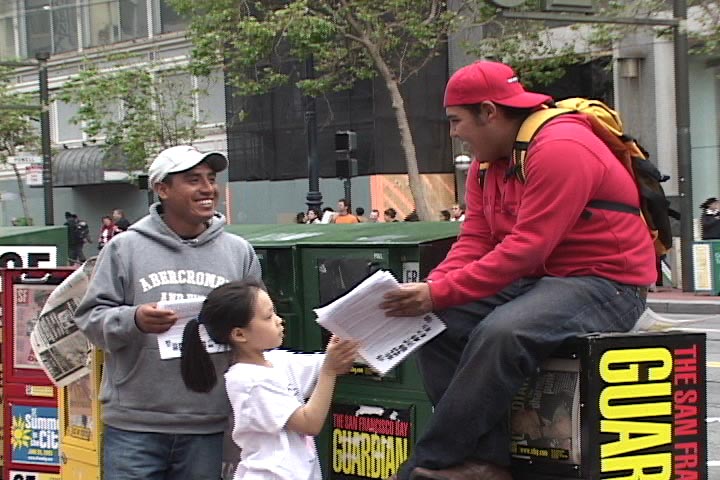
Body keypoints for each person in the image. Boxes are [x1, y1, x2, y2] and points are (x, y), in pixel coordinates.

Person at [380, 61, 655, 479]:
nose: (453, 133)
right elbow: (476, 240)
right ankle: (485, 461)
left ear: (489, 112)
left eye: (456, 120)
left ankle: (430, 463)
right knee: (436, 322)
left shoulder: (562, 147)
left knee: (502, 332)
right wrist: (434, 290)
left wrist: (439, 292)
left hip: (607, 282)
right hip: (540, 280)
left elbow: (526, 249)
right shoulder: (486, 164)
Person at [74, 145, 262, 480]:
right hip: (135, 426)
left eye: (211, 178)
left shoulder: (239, 252)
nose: (208, 188)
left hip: (209, 424)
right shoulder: (124, 248)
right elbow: (90, 320)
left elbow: (258, 325)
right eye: (194, 180)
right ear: (162, 189)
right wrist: (134, 320)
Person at [180, 279, 359, 479]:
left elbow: (327, 363)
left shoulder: (275, 360)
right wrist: (329, 371)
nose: (279, 320)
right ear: (239, 334)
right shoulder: (248, 380)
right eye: (268, 316)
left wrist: (343, 340)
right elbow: (309, 423)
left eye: (275, 312)